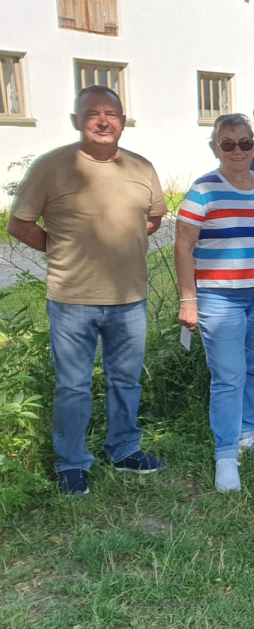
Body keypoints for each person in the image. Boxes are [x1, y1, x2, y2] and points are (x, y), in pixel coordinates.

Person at [7, 86, 168, 496]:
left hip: (129, 298)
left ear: (122, 119)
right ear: (77, 120)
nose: (102, 121)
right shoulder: (52, 166)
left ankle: (124, 449)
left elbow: (153, 218)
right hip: (72, 298)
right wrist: (61, 248)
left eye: (111, 113)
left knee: (126, 381)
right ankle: (72, 463)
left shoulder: (141, 168)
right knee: (74, 386)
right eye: (92, 113)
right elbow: (20, 224)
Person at [175, 113, 254, 492]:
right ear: (215, 147)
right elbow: (183, 246)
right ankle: (226, 455)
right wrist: (189, 299)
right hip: (219, 296)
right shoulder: (203, 191)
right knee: (227, 375)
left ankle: (248, 432)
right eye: (228, 143)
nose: (237, 150)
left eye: (245, 142)